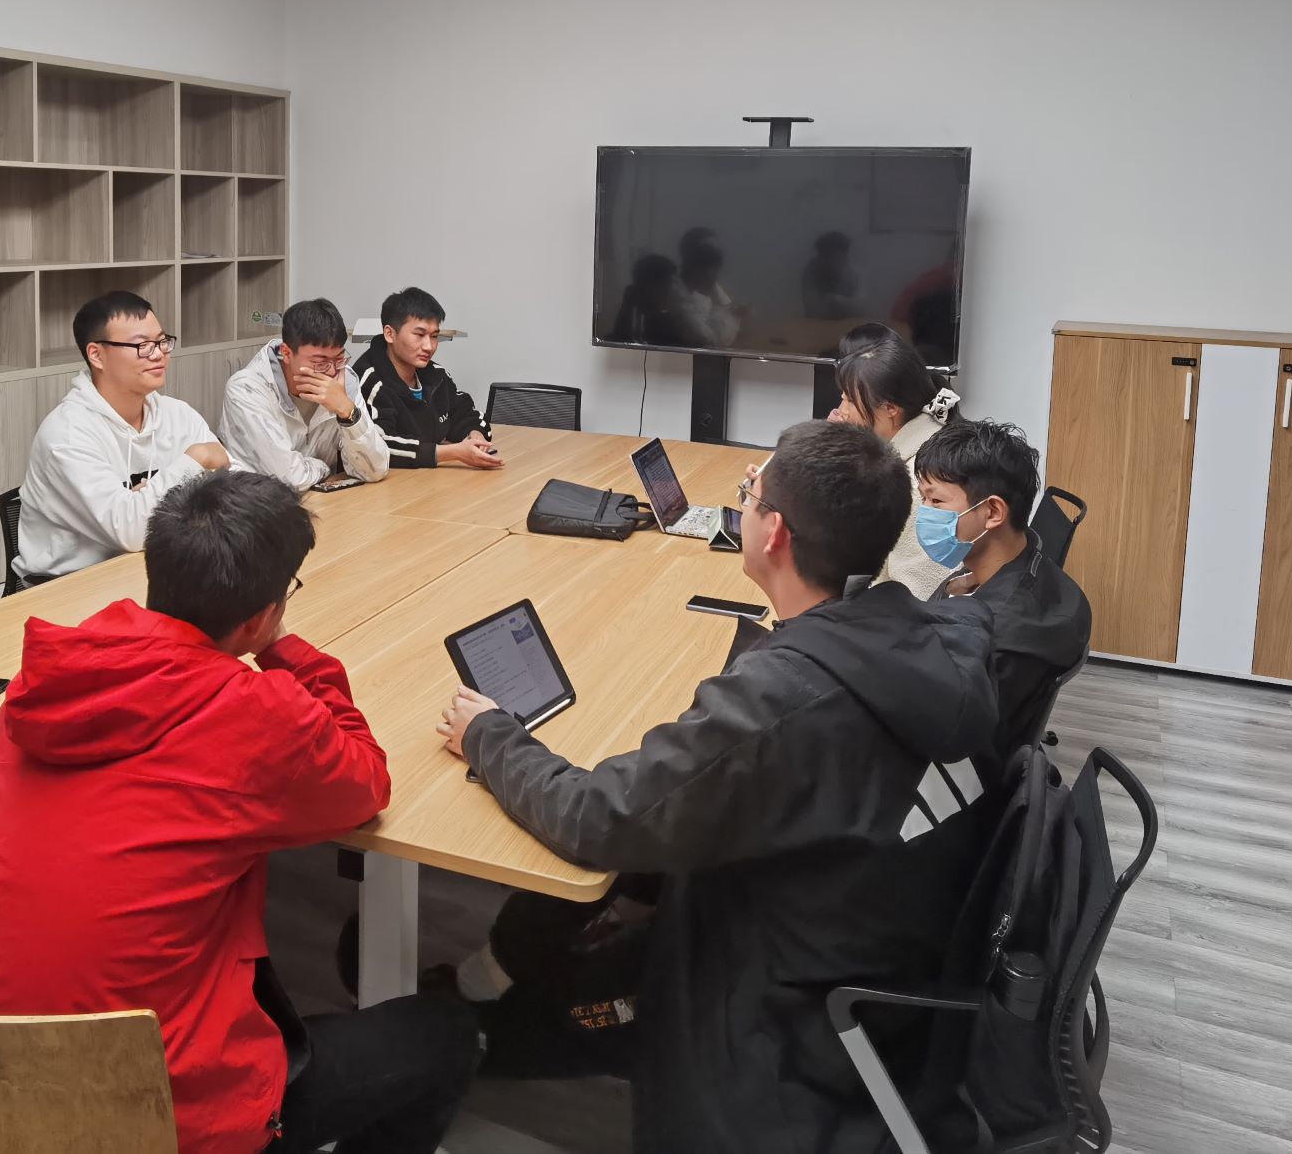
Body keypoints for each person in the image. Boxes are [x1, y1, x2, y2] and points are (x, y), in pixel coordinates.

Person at [438, 421, 1000, 1154]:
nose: (743, 505)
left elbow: (597, 818)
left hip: (785, 1004)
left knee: (577, 996)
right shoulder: (936, 635)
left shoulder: (783, 700)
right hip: (884, 948)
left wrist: (489, 735)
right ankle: (479, 1001)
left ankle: (460, 1036)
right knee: (608, 925)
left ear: (775, 533)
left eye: (748, 495)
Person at [0, 470, 479, 1154]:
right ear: (260, 615)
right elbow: (364, 783)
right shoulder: (254, 711)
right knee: (446, 1035)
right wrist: (282, 646)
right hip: (164, 1117)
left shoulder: (47, 679)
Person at [912, 418, 1093, 760]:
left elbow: (933, 734)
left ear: (993, 512)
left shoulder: (993, 637)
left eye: (935, 501)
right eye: (923, 498)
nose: (924, 514)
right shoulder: (1026, 558)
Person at [19, 290, 229, 580]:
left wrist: (147, 497)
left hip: (157, 566)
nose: (158, 354)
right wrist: (197, 458)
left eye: (162, 341)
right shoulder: (67, 434)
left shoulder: (178, 414)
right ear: (97, 355)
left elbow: (234, 493)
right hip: (72, 584)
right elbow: (132, 530)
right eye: (142, 345)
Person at [830, 329, 963, 597]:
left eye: (849, 400)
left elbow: (919, 597)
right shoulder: (920, 440)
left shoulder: (919, 485)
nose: (841, 410)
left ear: (890, 408)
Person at [221, 297, 391, 490]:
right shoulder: (247, 389)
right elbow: (288, 478)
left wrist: (348, 413)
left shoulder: (343, 379)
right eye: (320, 362)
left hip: (322, 501)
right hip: (258, 504)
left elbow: (375, 469)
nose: (331, 371)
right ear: (286, 353)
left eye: (339, 358)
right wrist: (323, 468)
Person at [353, 286, 501, 472]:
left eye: (434, 336)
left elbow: (464, 412)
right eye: (419, 335)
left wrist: (475, 434)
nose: (429, 346)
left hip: (431, 479)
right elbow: (378, 447)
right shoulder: (368, 382)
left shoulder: (436, 375)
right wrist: (453, 453)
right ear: (390, 334)